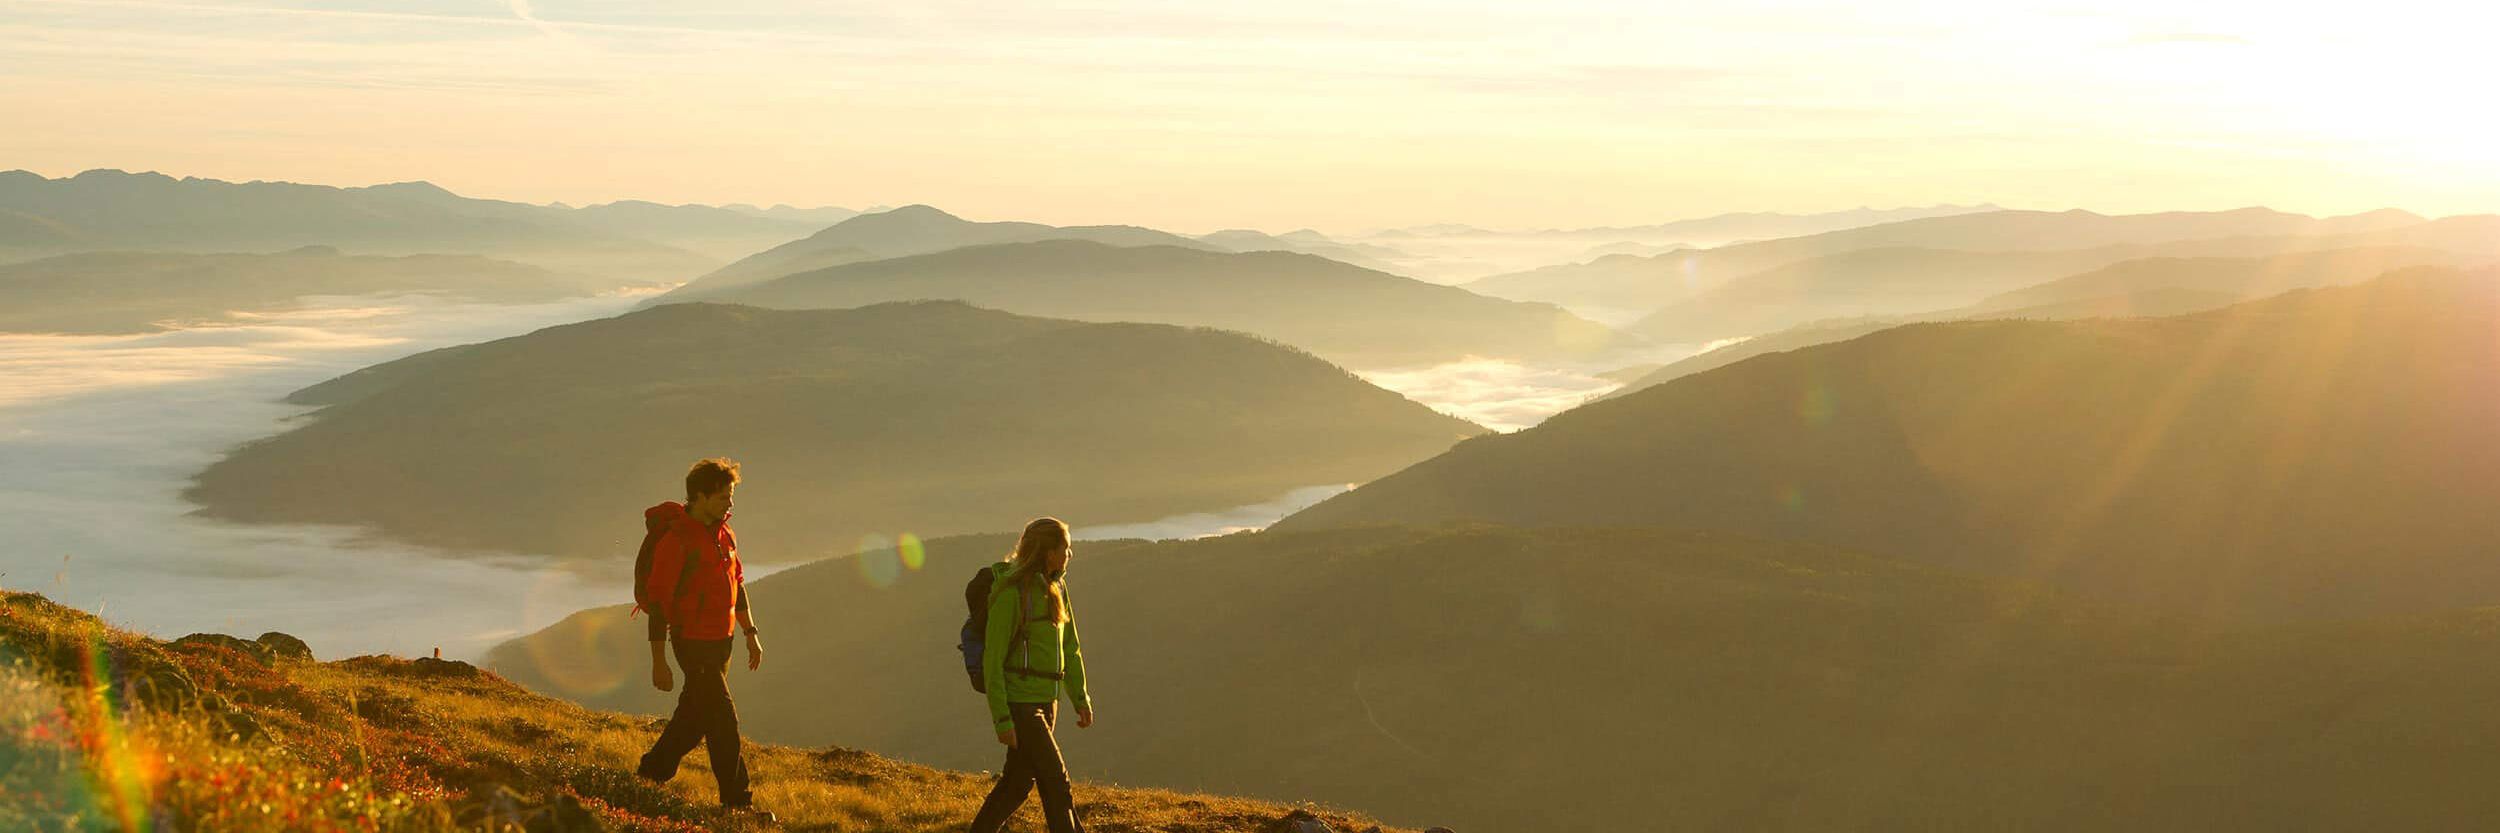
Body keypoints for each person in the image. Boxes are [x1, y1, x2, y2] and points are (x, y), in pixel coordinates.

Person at [635, 457, 771, 821]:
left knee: (693, 719)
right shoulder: (678, 540)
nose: (730, 503)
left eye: (731, 495)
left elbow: (736, 586)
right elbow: (660, 602)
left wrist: (750, 633)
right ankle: (738, 805)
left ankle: (651, 773)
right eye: (724, 496)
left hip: (721, 642)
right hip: (691, 644)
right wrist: (659, 661)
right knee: (724, 721)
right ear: (700, 496)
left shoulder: (726, 534)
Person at [969, 517, 1094, 833]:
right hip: (1021, 705)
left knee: (1017, 784)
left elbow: (1070, 645)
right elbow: (992, 660)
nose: (1069, 554)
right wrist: (1002, 718)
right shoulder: (1011, 593)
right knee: (1056, 781)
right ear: (1049, 551)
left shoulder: (1057, 587)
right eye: (1065, 547)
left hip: (1046, 701)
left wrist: (1080, 697)